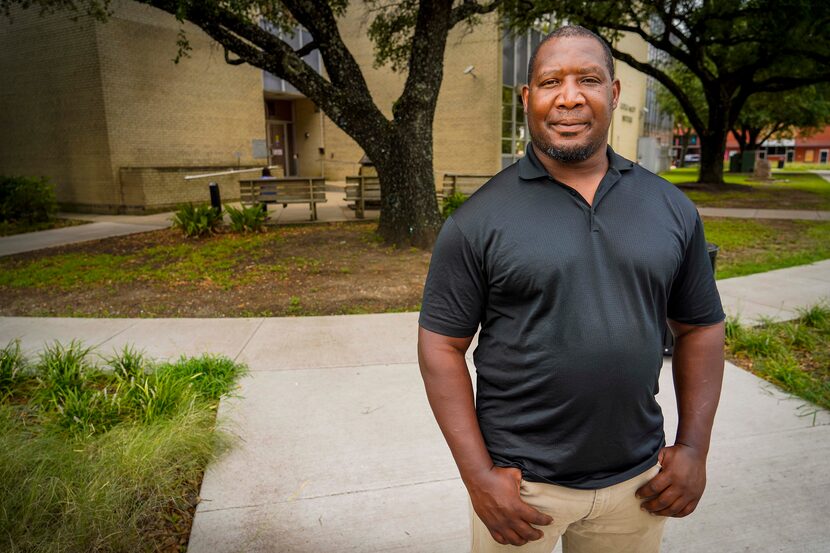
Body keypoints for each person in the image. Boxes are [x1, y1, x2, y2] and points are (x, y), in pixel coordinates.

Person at [417, 25, 725, 553]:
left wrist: (694, 448)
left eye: (589, 79)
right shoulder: (478, 220)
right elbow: (440, 348)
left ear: (614, 93)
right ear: (527, 98)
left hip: (638, 484)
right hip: (521, 488)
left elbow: (700, 327)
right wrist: (479, 478)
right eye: (550, 81)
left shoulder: (670, 207)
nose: (570, 96)